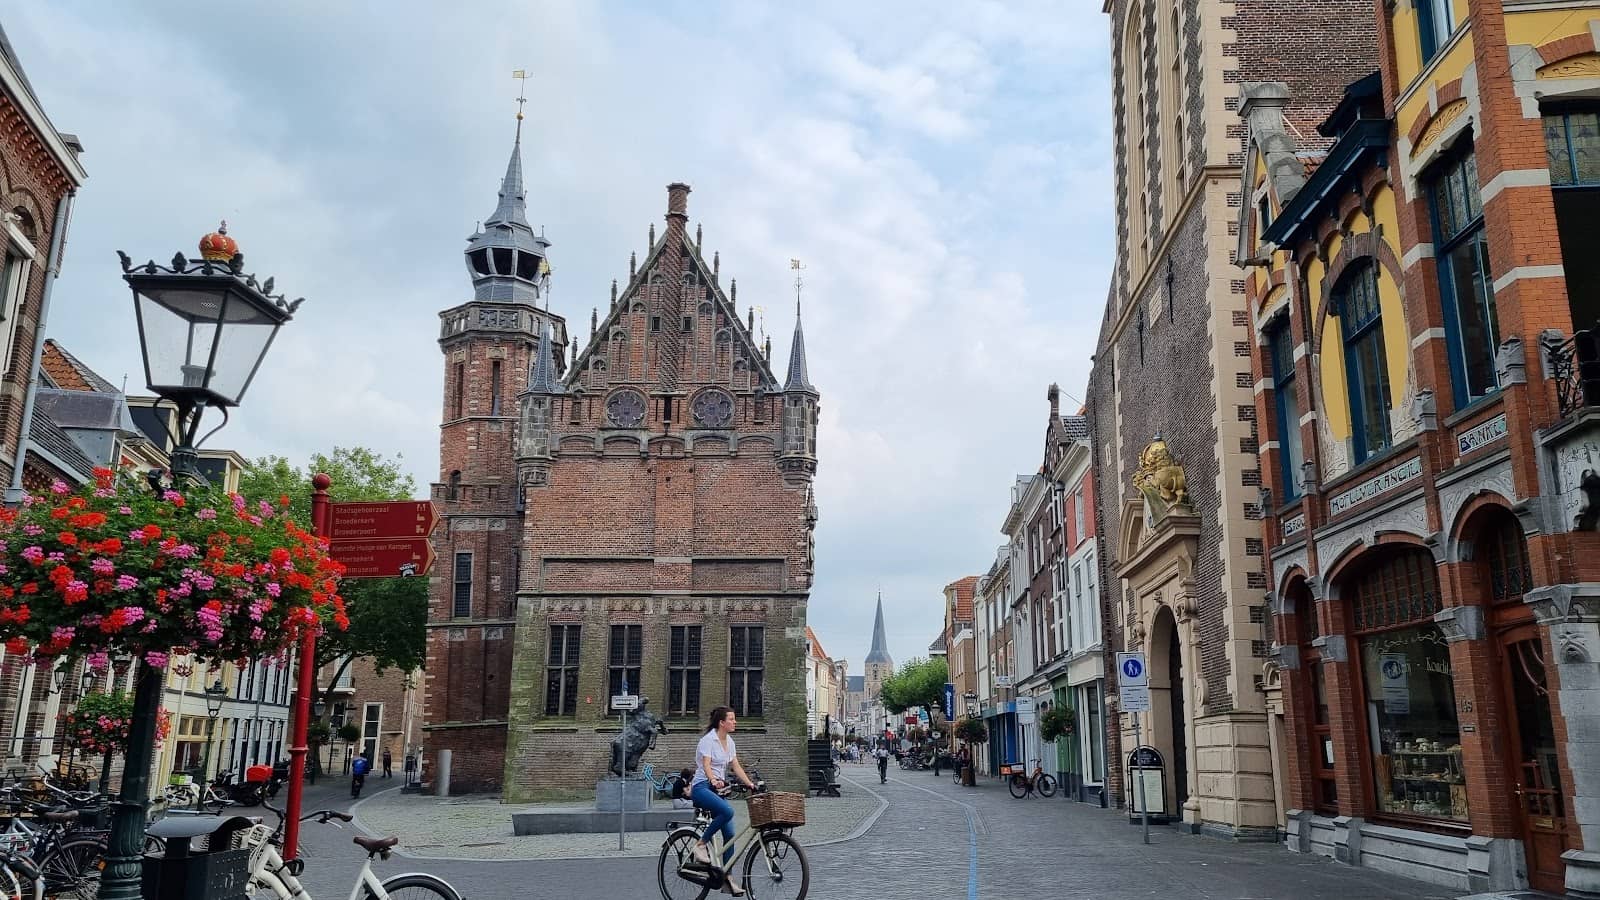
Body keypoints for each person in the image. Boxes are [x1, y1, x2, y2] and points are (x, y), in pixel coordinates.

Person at [688, 706, 756, 896]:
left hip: (717, 789)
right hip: (702, 787)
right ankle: (700, 845)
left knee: (730, 835)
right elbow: (706, 765)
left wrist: (750, 783)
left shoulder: (730, 742)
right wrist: (713, 780)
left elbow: (736, 766)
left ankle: (727, 878)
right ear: (722, 723)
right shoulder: (708, 740)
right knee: (728, 812)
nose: (735, 722)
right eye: (732, 719)